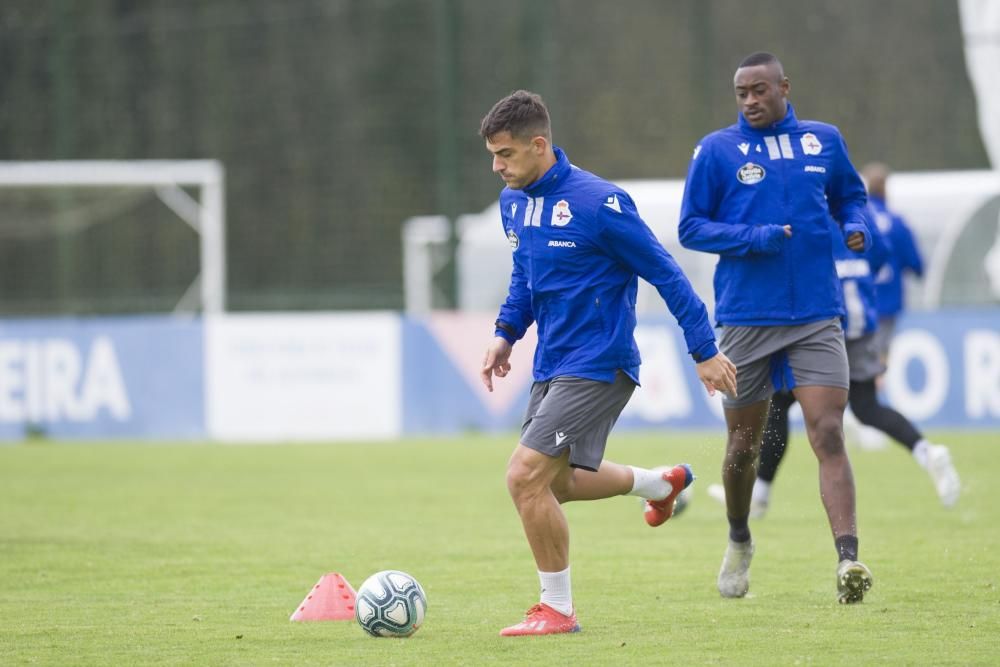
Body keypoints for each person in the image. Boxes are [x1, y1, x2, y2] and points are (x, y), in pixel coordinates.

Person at [479, 90, 737, 636]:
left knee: (524, 477)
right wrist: (506, 333)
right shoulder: (514, 203)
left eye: (504, 154)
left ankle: (558, 610)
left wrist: (704, 349)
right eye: (493, 155)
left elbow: (666, 272)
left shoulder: (600, 204)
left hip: (600, 362)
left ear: (539, 144)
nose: (497, 166)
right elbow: (525, 277)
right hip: (553, 362)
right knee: (556, 484)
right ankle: (659, 484)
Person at [678, 52, 874, 604]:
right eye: (741, 93)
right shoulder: (717, 151)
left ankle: (848, 560)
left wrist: (855, 225)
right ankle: (739, 538)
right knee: (743, 445)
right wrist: (754, 237)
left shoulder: (823, 141)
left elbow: (850, 197)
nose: (749, 101)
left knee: (828, 431)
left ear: (784, 87)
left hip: (816, 313)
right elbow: (691, 227)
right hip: (747, 317)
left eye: (759, 90)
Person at [709, 216, 961, 518]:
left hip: (823, 331)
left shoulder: (809, 219)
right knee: (867, 406)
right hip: (863, 329)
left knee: (778, 402)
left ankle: (759, 495)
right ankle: (926, 451)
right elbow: (880, 258)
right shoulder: (859, 219)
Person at [862, 162, 925, 368]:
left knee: (857, 361)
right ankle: (872, 397)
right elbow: (916, 264)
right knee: (879, 361)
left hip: (859, 302)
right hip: (888, 303)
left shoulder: (855, 221)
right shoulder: (897, 222)